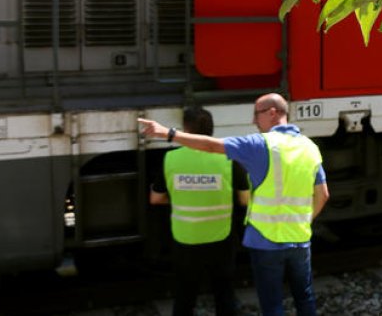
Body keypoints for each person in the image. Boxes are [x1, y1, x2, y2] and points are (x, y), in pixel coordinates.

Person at [139, 93, 329, 316]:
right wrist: (304, 222)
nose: (253, 121)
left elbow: (211, 146)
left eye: (256, 114)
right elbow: (323, 194)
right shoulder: (310, 147)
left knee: (272, 303)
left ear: (272, 113)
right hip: (298, 238)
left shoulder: (258, 144)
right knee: (304, 297)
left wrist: (168, 134)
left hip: (262, 240)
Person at [149, 107, 250, 316]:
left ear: (185, 129)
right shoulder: (229, 159)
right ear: (212, 130)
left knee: (185, 296)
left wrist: (180, 196)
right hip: (220, 238)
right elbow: (245, 199)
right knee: (224, 295)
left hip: (185, 239)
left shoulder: (171, 159)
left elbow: (156, 198)